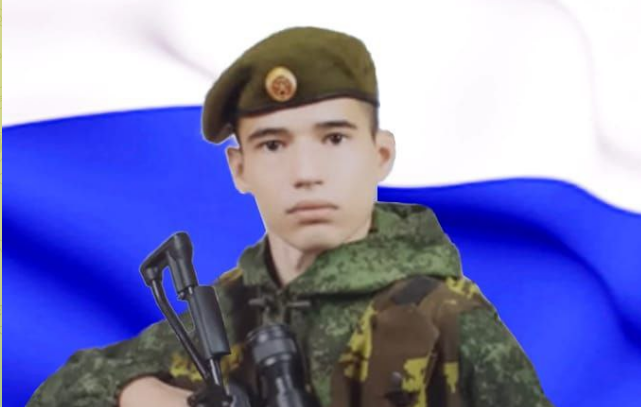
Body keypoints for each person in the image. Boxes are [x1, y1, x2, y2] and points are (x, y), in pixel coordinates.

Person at [27, 26, 555, 407]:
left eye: (334, 138)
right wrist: (145, 395)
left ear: (380, 155)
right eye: (273, 145)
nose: (306, 173)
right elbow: (63, 390)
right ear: (240, 168)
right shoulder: (229, 313)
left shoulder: (445, 320)